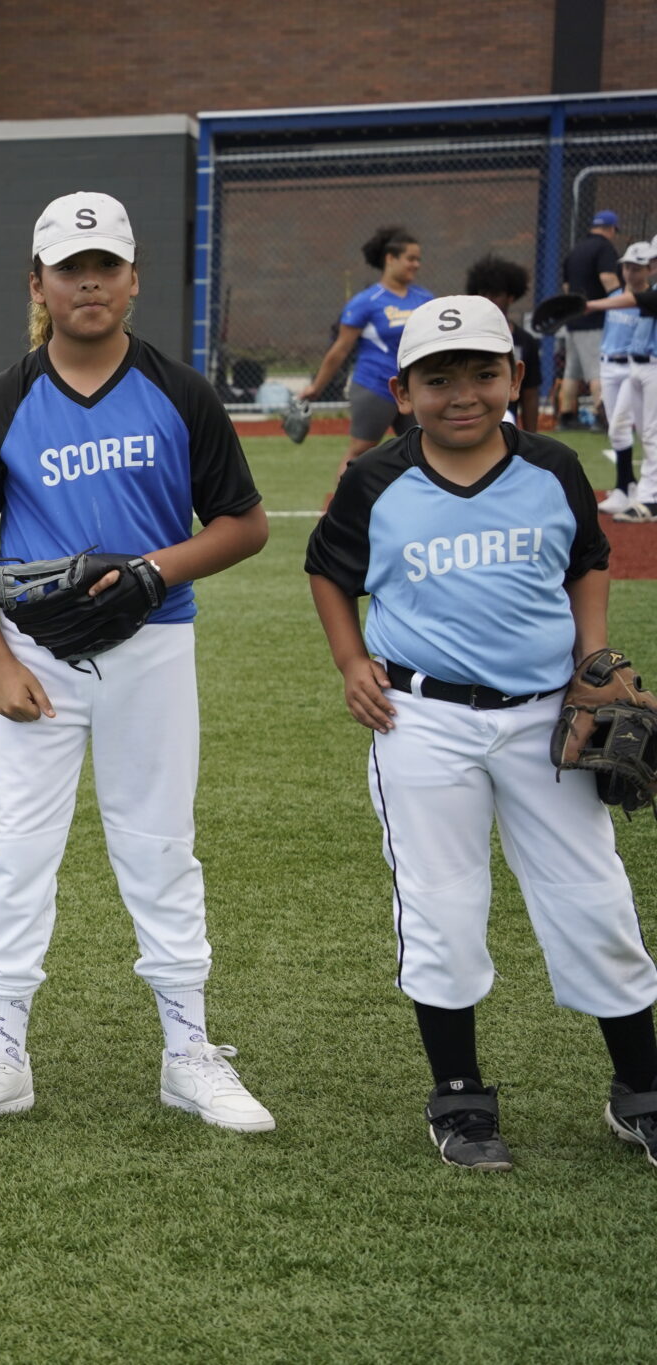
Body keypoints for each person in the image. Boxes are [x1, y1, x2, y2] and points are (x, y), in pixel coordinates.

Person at [0, 191, 273, 1137]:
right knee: (20, 850)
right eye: (70, 268)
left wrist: (157, 569)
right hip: (37, 658)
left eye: (105, 265)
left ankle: (188, 1049)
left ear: (133, 278)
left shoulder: (180, 392)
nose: (89, 283)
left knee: (158, 844)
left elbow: (244, 523)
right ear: (39, 283)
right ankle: (0, 1051)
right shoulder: (3, 399)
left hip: (154, 647)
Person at [304, 294, 657, 1171]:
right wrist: (351, 660)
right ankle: (460, 1097)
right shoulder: (377, 478)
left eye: (481, 373)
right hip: (422, 718)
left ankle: (640, 1089)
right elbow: (328, 569)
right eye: (439, 377)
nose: (462, 393)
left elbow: (587, 561)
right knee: (443, 904)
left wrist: (595, 657)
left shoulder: (551, 466)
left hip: (546, 716)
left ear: (515, 377)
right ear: (403, 387)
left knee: (593, 897)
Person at [300, 226, 433, 483]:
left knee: (425, 450)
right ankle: (341, 511)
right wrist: (317, 387)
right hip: (375, 386)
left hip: (415, 388)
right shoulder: (367, 301)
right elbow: (340, 349)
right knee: (361, 450)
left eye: (418, 259)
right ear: (390, 259)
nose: (416, 265)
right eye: (410, 258)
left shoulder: (424, 299)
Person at [592, 243, 657, 520]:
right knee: (623, 426)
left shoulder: (647, 295)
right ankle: (631, 489)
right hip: (636, 366)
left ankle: (649, 497)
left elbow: (635, 301)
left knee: (651, 433)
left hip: (652, 366)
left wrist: (587, 305)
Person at [557, 209, 623, 431]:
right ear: (611, 228)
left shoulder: (575, 250)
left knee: (572, 371)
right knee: (598, 369)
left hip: (573, 319)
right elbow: (608, 278)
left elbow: (566, 286)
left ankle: (566, 416)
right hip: (593, 319)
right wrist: (621, 302)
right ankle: (601, 416)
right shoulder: (604, 248)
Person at [463, 254, 541, 433]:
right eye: (484, 294)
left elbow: (530, 394)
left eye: (496, 295)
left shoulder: (525, 342)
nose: (489, 300)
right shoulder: (463, 337)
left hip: (505, 423)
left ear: (511, 297)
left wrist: (531, 438)